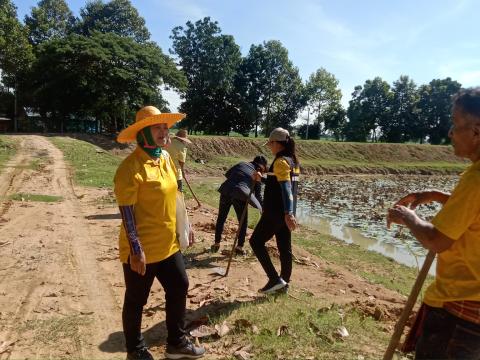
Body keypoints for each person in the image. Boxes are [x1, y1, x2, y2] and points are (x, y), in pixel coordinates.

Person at [387, 88, 480, 360]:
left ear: (476, 131)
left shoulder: (475, 180)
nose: (450, 132)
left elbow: (437, 240)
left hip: (459, 306)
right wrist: (438, 196)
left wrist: (408, 216)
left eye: (455, 123)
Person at [114, 106, 205, 360]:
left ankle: (176, 342)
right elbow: (127, 211)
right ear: (143, 132)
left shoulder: (165, 157)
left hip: (168, 244)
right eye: (157, 127)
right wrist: (136, 249)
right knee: (136, 300)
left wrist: (185, 225)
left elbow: (175, 195)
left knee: (180, 285)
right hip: (142, 248)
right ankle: (136, 350)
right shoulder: (130, 169)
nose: (165, 132)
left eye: (166, 127)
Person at [249, 128, 300, 294]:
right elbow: (278, 183)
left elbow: (286, 189)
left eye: (270, 143)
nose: (269, 147)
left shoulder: (280, 162)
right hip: (285, 211)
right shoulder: (293, 161)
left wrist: (288, 214)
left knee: (255, 242)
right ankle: (284, 283)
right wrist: (262, 178)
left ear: (277, 143)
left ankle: (274, 279)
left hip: (276, 212)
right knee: (284, 247)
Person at [212, 155, 268, 255]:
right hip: (241, 194)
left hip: (226, 190)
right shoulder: (257, 174)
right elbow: (258, 195)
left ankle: (216, 243)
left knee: (221, 218)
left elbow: (228, 175)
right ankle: (239, 247)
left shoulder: (241, 164)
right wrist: (263, 208)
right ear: (262, 167)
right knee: (243, 222)